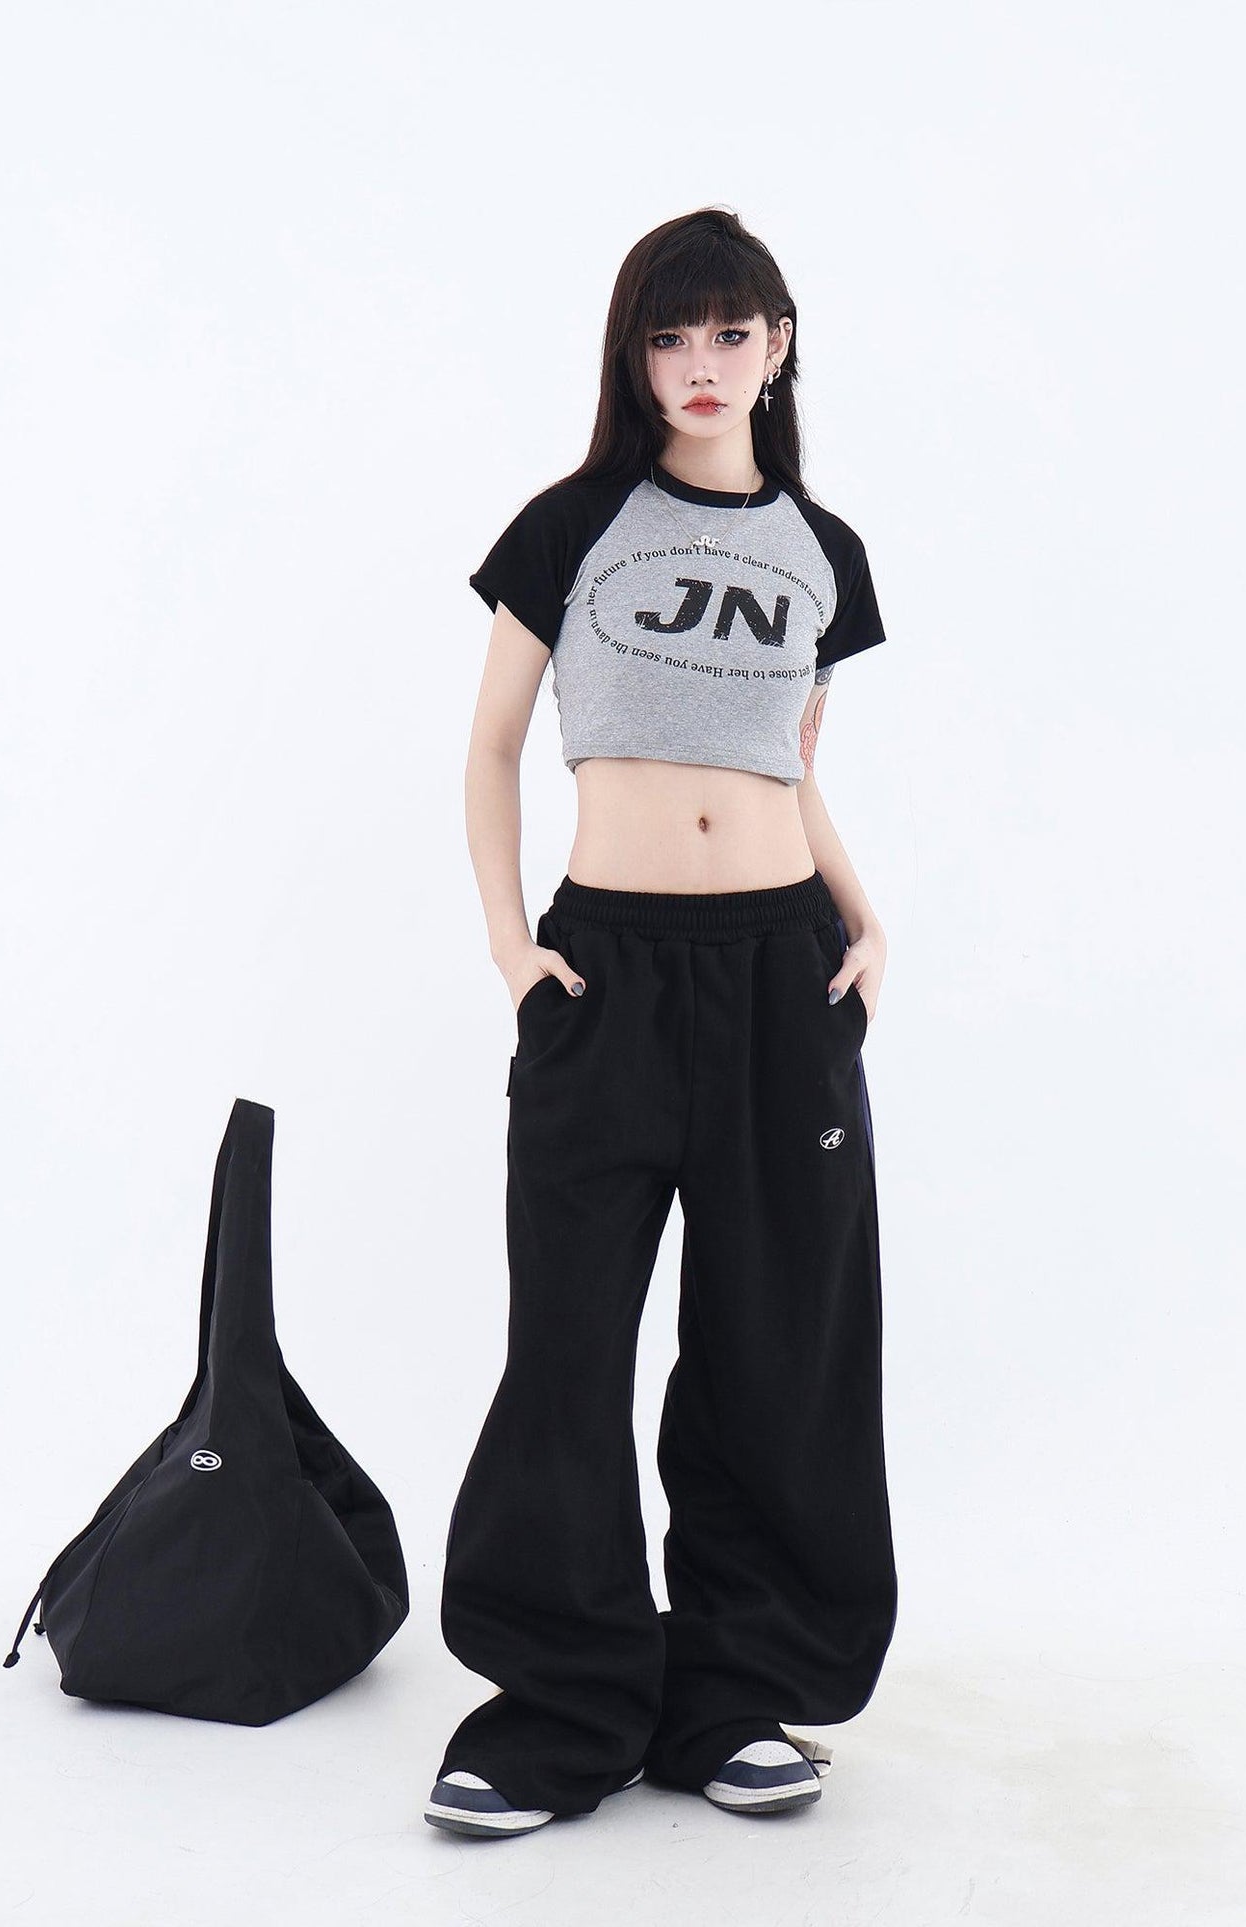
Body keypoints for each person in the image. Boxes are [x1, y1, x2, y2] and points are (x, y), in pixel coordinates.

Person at [425, 205, 898, 1838]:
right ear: (634, 358)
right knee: (567, 1346)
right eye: (668, 336)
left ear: (778, 346)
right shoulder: (571, 525)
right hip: (605, 974)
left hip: (782, 973)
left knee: (775, 1343)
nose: (701, 364)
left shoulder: (822, 550)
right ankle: (558, 1708)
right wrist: (512, 949)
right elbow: (492, 748)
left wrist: (862, 914)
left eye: (729, 333)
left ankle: (726, 1697)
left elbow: (788, 768)